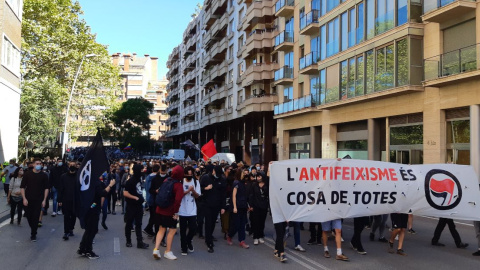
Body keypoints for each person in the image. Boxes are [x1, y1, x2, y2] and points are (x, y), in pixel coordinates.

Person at [77, 173, 116, 259]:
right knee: (92, 230)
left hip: (88, 207)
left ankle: (82, 248)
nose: (102, 174)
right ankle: (88, 250)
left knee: (89, 230)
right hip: (92, 209)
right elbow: (102, 193)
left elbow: (102, 187)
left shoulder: (88, 180)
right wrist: (110, 185)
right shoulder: (94, 182)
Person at [153, 165, 185, 260]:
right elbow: (178, 200)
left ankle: (156, 249)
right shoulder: (178, 185)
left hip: (159, 209)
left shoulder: (166, 180)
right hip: (169, 211)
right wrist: (176, 212)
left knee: (161, 229)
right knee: (172, 230)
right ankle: (168, 251)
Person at [20, 158, 49, 242]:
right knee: (29, 216)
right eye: (37, 163)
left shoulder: (44, 175)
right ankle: (33, 228)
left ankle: (33, 234)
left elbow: (46, 188)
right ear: (33, 164)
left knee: (36, 217)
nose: (39, 165)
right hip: (28, 200)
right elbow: (22, 187)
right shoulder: (27, 174)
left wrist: (44, 200)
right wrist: (24, 198)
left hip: (39, 200)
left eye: (40, 163)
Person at [201, 165, 227, 253]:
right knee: (208, 222)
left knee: (213, 222)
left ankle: (210, 235)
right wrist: (206, 188)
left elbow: (223, 194)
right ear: (213, 171)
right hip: (207, 204)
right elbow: (199, 190)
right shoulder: (205, 178)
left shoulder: (222, 180)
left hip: (217, 205)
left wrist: (223, 206)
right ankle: (209, 243)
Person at [123, 164, 149, 249]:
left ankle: (140, 242)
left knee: (139, 224)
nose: (142, 172)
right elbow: (125, 193)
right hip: (131, 206)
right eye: (141, 170)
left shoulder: (139, 179)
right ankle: (128, 241)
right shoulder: (130, 181)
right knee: (129, 224)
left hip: (139, 206)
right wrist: (135, 197)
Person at [178, 166, 201, 255]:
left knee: (193, 228)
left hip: (192, 209)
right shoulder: (180, 182)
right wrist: (188, 190)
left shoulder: (196, 182)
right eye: (187, 174)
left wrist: (193, 191)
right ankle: (184, 248)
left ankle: (188, 241)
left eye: (191, 174)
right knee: (183, 230)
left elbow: (197, 196)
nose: (189, 176)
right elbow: (179, 195)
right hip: (182, 209)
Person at [226, 168, 249, 249]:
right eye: (243, 173)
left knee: (242, 224)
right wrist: (234, 207)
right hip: (237, 207)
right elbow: (234, 196)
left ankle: (241, 241)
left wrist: (248, 205)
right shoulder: (236, 183)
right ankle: (229, 235)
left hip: (243, 206)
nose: (245, 174)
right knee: (236, 224)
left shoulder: (243, 183)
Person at [58, 161, 78, 241]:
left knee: (73, 215)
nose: (72, 166)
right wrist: (59, 199)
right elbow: (61, 189)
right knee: (66, 216)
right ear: (68, 166)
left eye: (74, 165)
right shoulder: (63, 176)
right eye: (71, 165)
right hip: (66, 199)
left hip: (75, 200)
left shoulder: (78, 176)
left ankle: (71, 228)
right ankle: (66, 232)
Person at [249, 173, 269, 245]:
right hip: (256, 205)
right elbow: (251, 195)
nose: (258, 178)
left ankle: (260, 236)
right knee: (255, 221)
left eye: (259, 176)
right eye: (257, 177)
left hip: (264, 206)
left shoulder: (267, 185)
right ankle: (255, 237)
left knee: (262, 222)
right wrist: (251, 205)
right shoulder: (254, 185)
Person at [143, 164, 160, 237]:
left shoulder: (149, 177)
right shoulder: (153, 177)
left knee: (153, 216)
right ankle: (148, 228)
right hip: (152, 199)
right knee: (154, 216)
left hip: (149, 198)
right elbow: (151, 189)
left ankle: (149, 229)